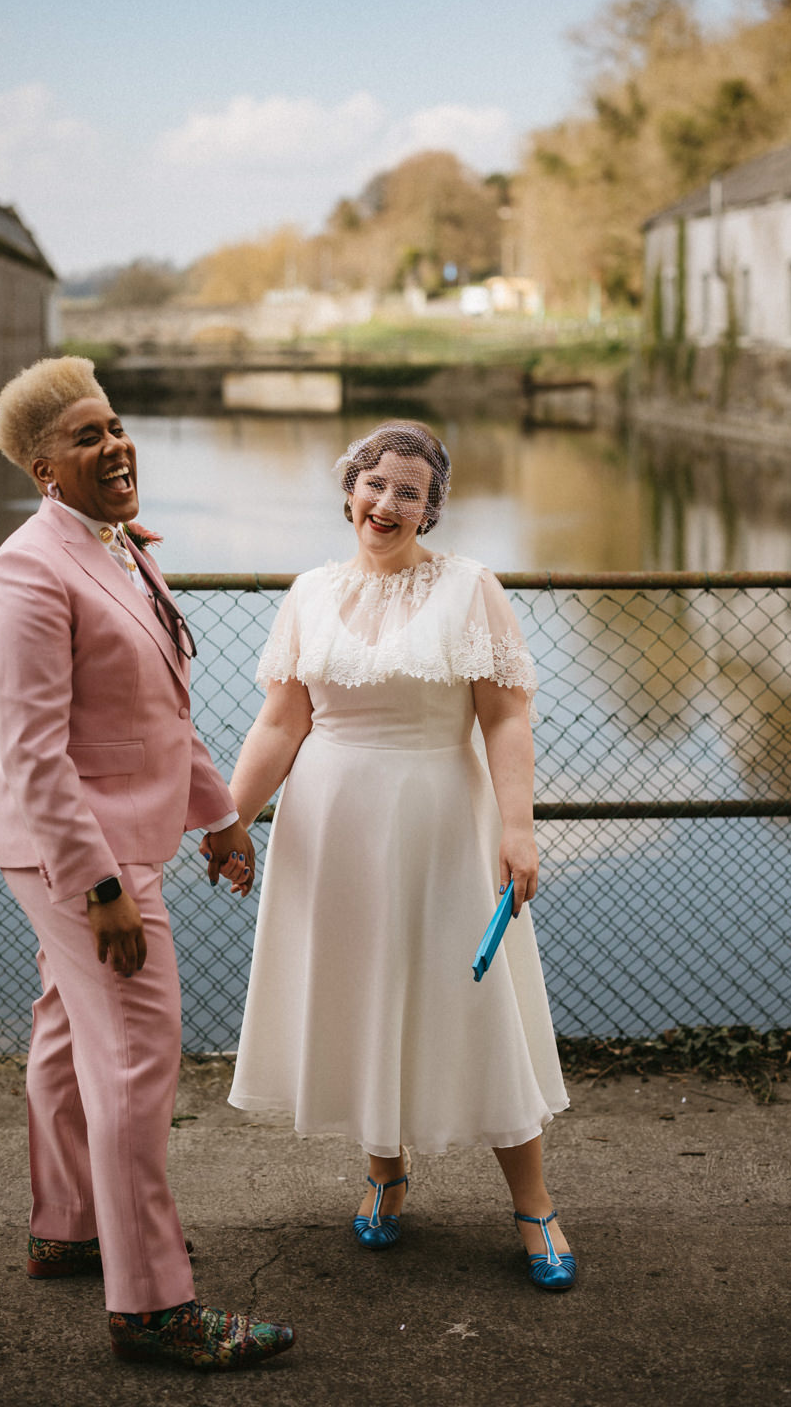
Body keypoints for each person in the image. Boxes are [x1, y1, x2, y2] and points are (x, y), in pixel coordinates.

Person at [0, 356, 295, 1369]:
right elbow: (34, 754)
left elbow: (164, 714)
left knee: (71, 1034)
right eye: (85, 436)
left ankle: (68, 1228)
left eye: (114, 425)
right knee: (137, 1061)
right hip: (81, 856)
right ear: (42, 472)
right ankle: (151, 1305)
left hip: (120, 840)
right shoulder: (26, 576)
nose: (114, 445)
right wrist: (102, 888)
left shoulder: (119, 551)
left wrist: (221, 820)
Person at [227, 420, 576, 1291]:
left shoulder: (471, 589)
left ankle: (534, 1204)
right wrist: (227, 820)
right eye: (374, 484)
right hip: (331, 823)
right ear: (349, 488)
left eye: (409, 493)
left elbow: (505, 717)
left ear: (432, 508)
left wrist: (518, 827)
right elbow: (281, 723)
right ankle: (385, 1173)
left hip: (440, 818)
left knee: (476, 1002)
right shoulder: (308, 592)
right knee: (363, 993)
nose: (387, 505)